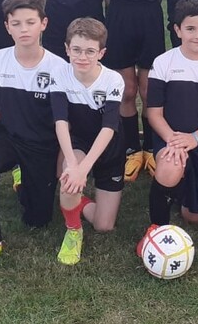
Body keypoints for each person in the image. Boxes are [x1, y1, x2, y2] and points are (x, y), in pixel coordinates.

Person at [0, 0, 68, 272]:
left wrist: (63, 157)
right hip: (7, 138)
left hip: (42, 145)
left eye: (30, 22)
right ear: (7, 27)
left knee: (38, 220)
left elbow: (62, 120)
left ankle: (24, 177)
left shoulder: (59, 67)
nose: (24, 29)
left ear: (43, 24)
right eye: (16, 23)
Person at [138, 0, 198, 254]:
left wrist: (195, 138)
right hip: (171, 138)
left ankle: (181, 189)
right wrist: (173, 140)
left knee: (194, 217)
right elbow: (154, 113)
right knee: (170, 165)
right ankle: (156, 229)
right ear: (177, 30)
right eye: (190, 29)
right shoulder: (164, 63)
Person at [94, 0, 169, 181]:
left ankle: (150, 147)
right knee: (126, 89)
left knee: (149, 89)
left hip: (149, 18)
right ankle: (131, 149)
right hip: (119, 19)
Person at [51, 18, 126, 265]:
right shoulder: (60, 74)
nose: (82, 57)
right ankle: (73, 230)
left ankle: (76, 201)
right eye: (76, 50)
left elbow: (109, 127)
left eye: (90, 51)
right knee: (69, 176)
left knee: (104, 225)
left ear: (101, 53)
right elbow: (60, 121)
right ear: (67, 49)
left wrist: (84, 169)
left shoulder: (113, 79)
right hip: (79, 143)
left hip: (109, 149)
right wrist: (73, 165)